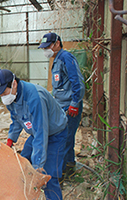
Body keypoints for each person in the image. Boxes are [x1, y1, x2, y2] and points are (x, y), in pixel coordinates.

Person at [0, 69, 68, 200]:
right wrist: (10, 139)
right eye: (0, 94)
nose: (3, 97)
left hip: (55, 134)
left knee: (48, 176)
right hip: (36, 133)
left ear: (14, 83)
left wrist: (38, 167)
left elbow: (41, 133)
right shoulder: (12, 97)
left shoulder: (34, 98)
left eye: (4, 92)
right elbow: (16, 120)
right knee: (23, 161)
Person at [38, 32, 85, 184]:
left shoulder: (66, 58)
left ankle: (61, 175)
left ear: (57, 43)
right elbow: (61, 86)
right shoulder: (57, 60)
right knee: (67, 139)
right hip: (61, 106)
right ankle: (70, 168)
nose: (46, 50)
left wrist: (75, 103)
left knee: (64, 140)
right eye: (44, 48)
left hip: (70, 107)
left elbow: (77, 82)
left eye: (48, 47)